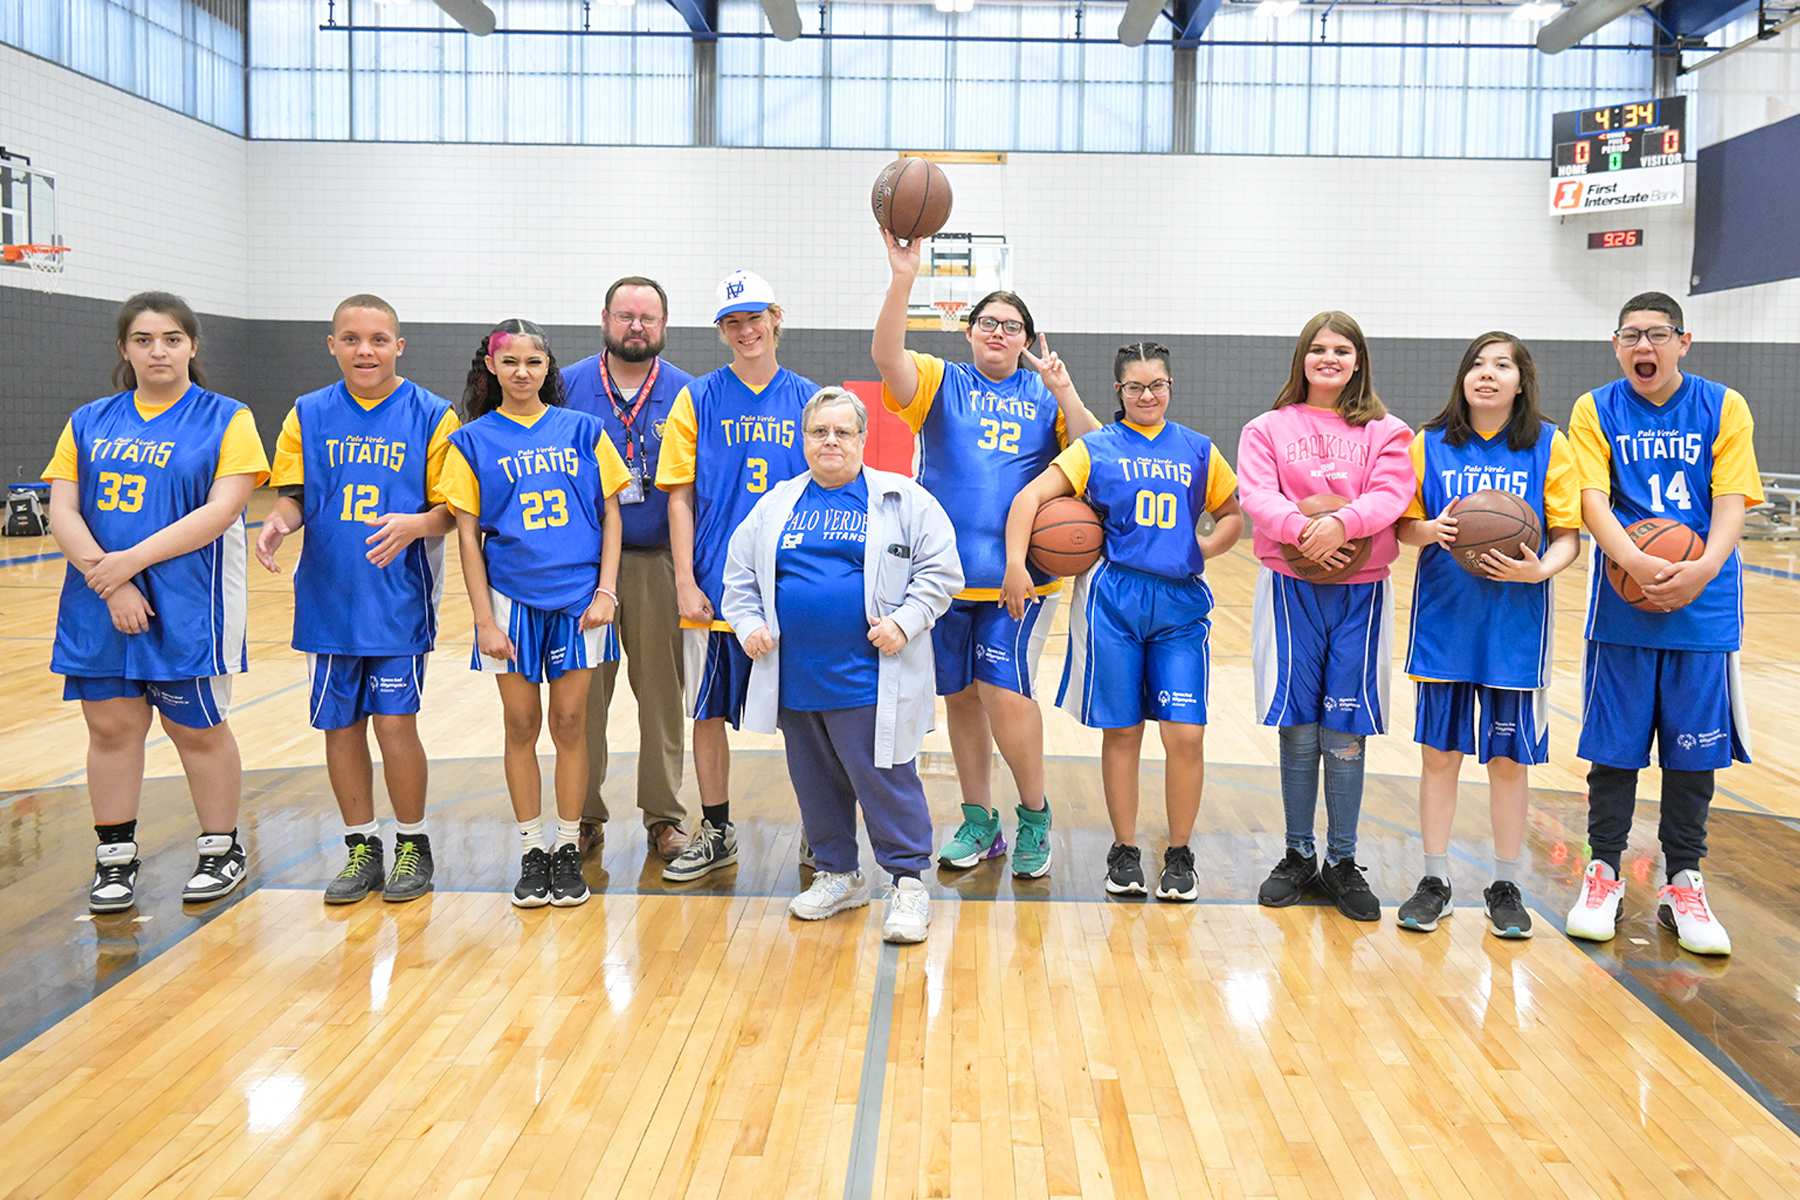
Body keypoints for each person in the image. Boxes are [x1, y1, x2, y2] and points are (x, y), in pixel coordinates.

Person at [872, 230, 1098, 880]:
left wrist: (1064, 393)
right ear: (969, 332)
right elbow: (887, 356)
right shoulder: (942, 382)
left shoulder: (1042, 398)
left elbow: (1092, 456)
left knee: (1005, 694)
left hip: (1018, 580)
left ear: (1027, 338)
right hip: (943, 580)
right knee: (962, 700)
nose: (1000, 332)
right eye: (989, 323)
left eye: (1013, 325)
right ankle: (980, 822)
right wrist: (903, 277)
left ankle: (1033, 817)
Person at [46, 291, 269, 912]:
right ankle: (114, 857)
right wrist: (111, 581)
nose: (158, 351)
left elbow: (224, 510)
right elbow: (62, 509)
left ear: (193, 346)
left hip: (188, 600)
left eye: (171, 338)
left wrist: (129, 566)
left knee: (193, 726)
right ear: (125, 349)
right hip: (101, 597)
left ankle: (221, 847)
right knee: (111, 729)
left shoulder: (228, 416)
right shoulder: (90, 419)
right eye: (143, 340)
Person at [1001, 342, 1242, 902]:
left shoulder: (1198, 449)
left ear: (1170, 385)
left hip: (1180, 601)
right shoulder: (1095, 449)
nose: (1148, 395)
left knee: (1186, 732)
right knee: (1124, 729)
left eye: (1157, 384)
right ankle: (1125, 849)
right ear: (1119, 392)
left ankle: (1179, 854)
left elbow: (1231, 514)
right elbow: (1030, 499)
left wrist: (1201, 548)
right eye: (1135, 387)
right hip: (1114, 597)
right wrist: (1018, 565)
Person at [721, 387, 962, 942]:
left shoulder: (902, 499)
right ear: (803, 439)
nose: (830, 441)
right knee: (814, 782)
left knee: (886, 781)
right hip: (796, 676)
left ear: (861, 438)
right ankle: (838, 874)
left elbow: (941, 571)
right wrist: (750, 623)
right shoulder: (777, 503)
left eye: (842, 432)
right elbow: (738, 577)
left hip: (871, 674)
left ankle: (907, 884)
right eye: (819, 432)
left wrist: (905, 620)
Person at [1563, 292, 1761, 956]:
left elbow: (1730, 500)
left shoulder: (1724, 405)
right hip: (1624, 604)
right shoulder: (1595, 408)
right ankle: (1604, 870)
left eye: (1656, 335)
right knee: (1614, 751)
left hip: (1701, 607)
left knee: (1693, 753)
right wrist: (1632, 562)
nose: (1643, 347)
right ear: (1616, 345)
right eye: (1630, 336)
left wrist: (1701, 568)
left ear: (1684, 340)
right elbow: (1591, 499)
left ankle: (1684, 880)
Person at [256, 294, 460, 904]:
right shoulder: (306, 413)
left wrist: (416, 525)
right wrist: (278, 523)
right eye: (351, 339)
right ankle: (360, 846)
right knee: (340, 727)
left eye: (377, 339)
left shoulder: (432, 413)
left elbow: (452, 509)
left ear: (398, 345)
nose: (364, 350)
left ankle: (412, 844)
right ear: (332, 346)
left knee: (397, 725)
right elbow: (291, 494)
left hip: (397, 601)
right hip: (328, 598)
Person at [1394, 332, 1580, 939]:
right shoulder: (1429, 443)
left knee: (1506, 762)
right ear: (1462, 378)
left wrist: (1538, 570)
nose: (1488, 374)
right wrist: (1433, 529)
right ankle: (1435, 878)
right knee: (1439, 757)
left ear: (1521, 381)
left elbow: (1567, 536)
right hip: (1446, 626)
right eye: (1477, 364)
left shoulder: (1550, 444)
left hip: (1515, 632)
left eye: (1503, 365)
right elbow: (1403, 528)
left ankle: (1506, 883)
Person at [441, 320, 629, 908]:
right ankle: (531, 849)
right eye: (511, 361)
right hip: (510, 602)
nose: (523, 372)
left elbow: (611, 516)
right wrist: (483, 621)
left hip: (579, 600)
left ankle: (568, 846)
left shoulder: (584, 430)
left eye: (535, 362)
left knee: (571, 725)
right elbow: (467, 538)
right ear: (490, 368)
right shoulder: (470, 441)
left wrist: (607, 592)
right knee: (520, 726)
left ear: (549, 369)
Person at [1237, 311, 1414, 921]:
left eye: (1342, 350)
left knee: (1345, 728)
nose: (1330, 359)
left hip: (1362, 591)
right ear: (1302, 359)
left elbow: (1391, 496)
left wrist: (1341, 523)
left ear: (1359, 360)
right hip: (1290, 586)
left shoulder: (1388, 431)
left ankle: (1342, 861)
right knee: (1299, 725)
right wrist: (1305, 532)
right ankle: (1297, 855)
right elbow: (1255, 495)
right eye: (1318, 349)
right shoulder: (1266, 427)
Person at [656, 270, 817, 882]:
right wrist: (684, 583)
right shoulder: (696, 397)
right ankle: (717, 829)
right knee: (705, 712)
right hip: (715, 585)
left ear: (776, 318)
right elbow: (678, 498)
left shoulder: (808, 398)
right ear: (722, 332)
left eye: (754, 318)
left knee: (808, 712)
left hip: (791, 585)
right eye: (732, 323)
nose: (745, 331)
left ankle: (819, 826)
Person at [562, 276, 694, 863]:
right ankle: (584, 813)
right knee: (583, 698)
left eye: (648, 317)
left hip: (660, 561)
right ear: (604, 319)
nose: (636, 326)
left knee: (662, 699)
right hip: (584, 568)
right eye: (625, 315)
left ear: (664, 326)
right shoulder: (564, 385)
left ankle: (664, 817)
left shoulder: (689, 393)